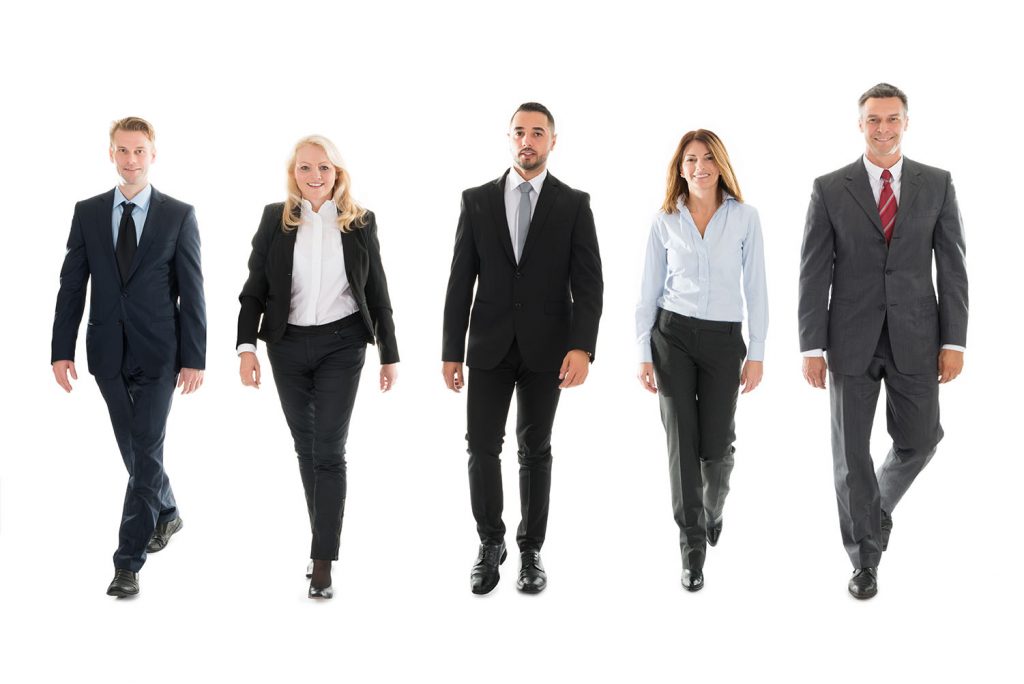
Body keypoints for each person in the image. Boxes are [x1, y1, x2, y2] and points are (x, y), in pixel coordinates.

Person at [798, 83, 968, 599]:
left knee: (922, 438)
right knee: (850, 455)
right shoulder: (830, 187)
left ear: (906, 122)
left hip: (918, 335)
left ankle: (875, 510)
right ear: (860, 124)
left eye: (892, 119)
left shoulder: (937, 183)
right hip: (849, 338)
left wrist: (954, 341)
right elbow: (812, 271)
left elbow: (953, 267)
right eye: (873, 119)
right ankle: (864, 559)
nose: (883, 129)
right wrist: (811, 346)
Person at [442, 102, 603, 595]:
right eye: (519, 132)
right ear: (508, 139)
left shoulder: (574, 203)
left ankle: (531, 550)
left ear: (553, 141)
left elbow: (590, 283)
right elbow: (458, 281)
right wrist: (451, 350)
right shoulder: (476, 201)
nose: (527, 141)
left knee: (536, 450)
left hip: (548, 349)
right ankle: (490, 543)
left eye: (537, 132)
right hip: (488, 345)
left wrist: (583, 347)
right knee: (482, 447)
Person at [51, 116, 207, 598]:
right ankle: (167, 510)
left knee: (145, 446)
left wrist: (194, 357)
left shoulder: (178, 214)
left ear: (153, 155)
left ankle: (127, 563)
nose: (131, 160)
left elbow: (192, 291)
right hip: (107, 353)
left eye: (139, 151)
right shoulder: (88, 212)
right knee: (137, 452)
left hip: (162, 354)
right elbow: (72, 285)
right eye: (123, 151)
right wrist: (61, 349)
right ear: (111, 154)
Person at [237, 135, 399, 599]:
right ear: (294, 173)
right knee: (305, 448)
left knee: (329, 448)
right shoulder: (275, 218)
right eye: (305, 168)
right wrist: (246, 347)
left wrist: (389, 353)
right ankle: (319, 545)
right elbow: (254, 288)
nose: (315, 177)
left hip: (341, 345)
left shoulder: (359, 221)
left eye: (324, 168)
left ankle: (323, 560)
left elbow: (378, 292)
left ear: (338, 173)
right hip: (285, 347)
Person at [635, 129, 767, 592]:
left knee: (717, 447)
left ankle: (713, 508)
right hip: (672, 338)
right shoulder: (665, 220)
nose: (700, 167)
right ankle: (692, 549)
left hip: (724, 340)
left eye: (708, 158)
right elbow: (648, 290)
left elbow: (757, 289)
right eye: (691, 159)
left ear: (721, 165)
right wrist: (642, 353)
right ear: (680, 167)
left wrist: (758, 352)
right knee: (681, 445)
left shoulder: (745, 218)